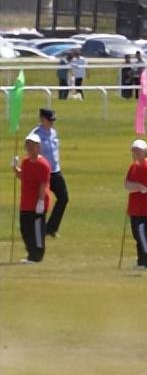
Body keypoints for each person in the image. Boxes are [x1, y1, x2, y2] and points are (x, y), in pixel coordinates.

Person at [13, 133, 51, 263]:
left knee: (37, 231)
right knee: (25, 229)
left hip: (38, 203)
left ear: (38, 147)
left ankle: (37, 256)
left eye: (32, 145)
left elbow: (42, 185)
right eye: (28, 145)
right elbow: (23, 176)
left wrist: (40, 202)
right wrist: (15, 168)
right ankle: (31, 254)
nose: (29, 148)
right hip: (26, 203)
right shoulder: (25, 162)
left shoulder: (43, 165)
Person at [30, 108, 67, 238]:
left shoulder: (53, 132)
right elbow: (31, 153)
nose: (52, 123)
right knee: (41, 201)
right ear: (42, 119)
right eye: (50, 120)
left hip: (55, 171)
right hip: (42, 173)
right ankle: (36, 228)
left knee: (63, 198)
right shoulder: (36, 135)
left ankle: (51, 228)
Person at [124, 139, 147, 271]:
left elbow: (143, 188)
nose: (136, 153)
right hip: (134, 207)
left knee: (142, 234)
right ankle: (141, 261)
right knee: (137, 235)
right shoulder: (133, 166)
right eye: (134, 150)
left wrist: (134, 186)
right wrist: (134, 186)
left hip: (145, 208)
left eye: (139, 151)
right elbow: (127, 184)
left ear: (145, 152)